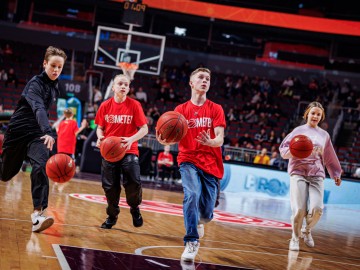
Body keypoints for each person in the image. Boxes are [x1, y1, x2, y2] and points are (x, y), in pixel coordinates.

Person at [157, 68, 226, 262]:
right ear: (191, 83)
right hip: (188, 159)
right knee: (192, 194)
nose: (205, 81)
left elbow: (220, 138)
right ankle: (191, 241)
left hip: (211, 162)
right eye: (201, 78)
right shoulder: (180, 111)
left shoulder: (216, 109)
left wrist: (211, 142)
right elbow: (172, 136)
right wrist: (165, 141)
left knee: (206, 213)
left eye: (208, 78)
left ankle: (200, 222)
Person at [0, 46, 67, 233]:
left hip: (37, 135)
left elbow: (42, 112)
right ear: (44, 64)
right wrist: (48, 129)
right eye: (53, 65)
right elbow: (38, 108)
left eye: (59, 67)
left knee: (40, 165)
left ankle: (38, 215)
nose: (56, 70)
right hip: (17, 133)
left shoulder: (55, 87)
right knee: (5, 174)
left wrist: (46, 132)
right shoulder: (35, 84)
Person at [279, 101, 342, 251]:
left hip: (317, 174)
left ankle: (306, 231)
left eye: (318, 114)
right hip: (298, 172)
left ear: (322, 117)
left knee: (317, 209)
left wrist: (336, 173)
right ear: (307, 114)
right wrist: (295, 151)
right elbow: (283, 150)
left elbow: (329, 156)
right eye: (313, 113)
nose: (315, 116)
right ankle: (294, 238)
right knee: (299, 210)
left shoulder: (324, 135)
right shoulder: (298, 131)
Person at [95, 74, 148, 230]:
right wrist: (100, 138)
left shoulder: (135, 105)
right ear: (113, 87)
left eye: (126, 84)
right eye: (120, 84)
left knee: (133, 181)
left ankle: (134, 208)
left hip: (128, 149)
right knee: (110, 187)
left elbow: (144, 129)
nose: (123, 86)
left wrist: (131, 139)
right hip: (110, 151)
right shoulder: (105, 105)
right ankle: (112, 216)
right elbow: (99, 128)